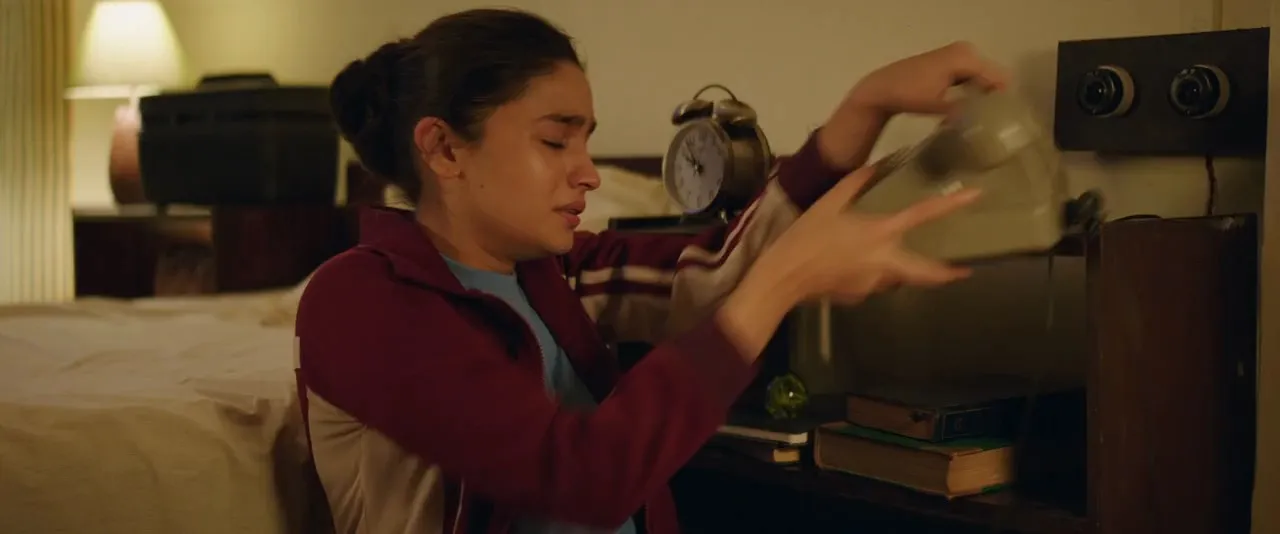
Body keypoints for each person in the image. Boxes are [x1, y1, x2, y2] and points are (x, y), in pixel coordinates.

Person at [296, 7, 1007, 534]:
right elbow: (581, 477)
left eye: (587, 142)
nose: (588, 174)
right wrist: (785, 280)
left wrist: (865, 106)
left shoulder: (553, 274)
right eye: (556, 141)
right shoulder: (363, 300)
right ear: (444, 151)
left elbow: (716, 274)